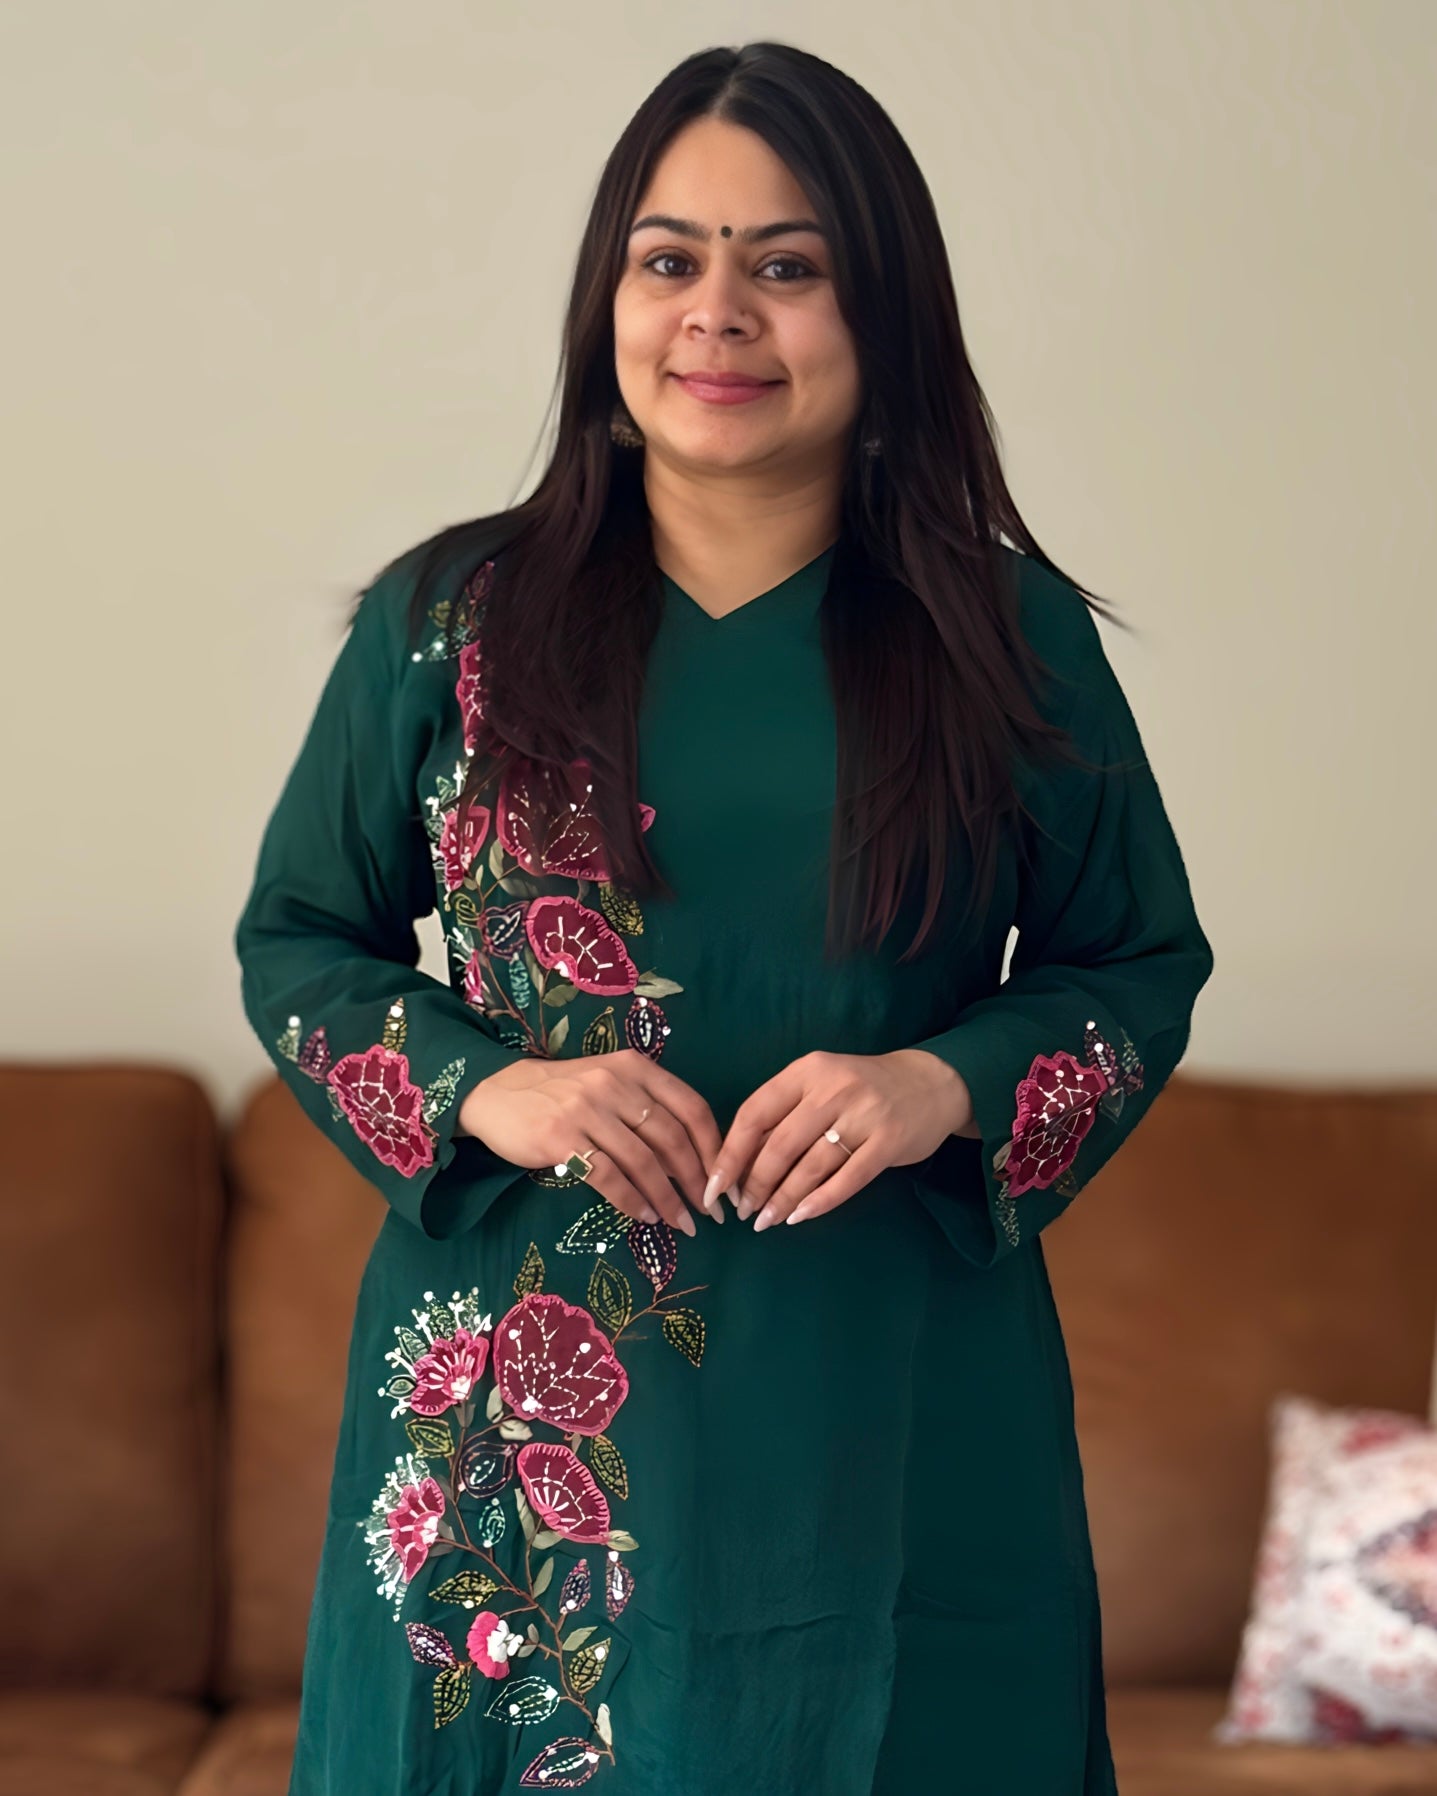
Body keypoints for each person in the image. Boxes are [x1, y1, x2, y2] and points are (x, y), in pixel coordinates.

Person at [233, 39, 1214, 1796]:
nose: (717, 315)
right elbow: (298, 941)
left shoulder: (1003, 637)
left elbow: (1133, 964)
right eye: (669, 259)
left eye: (786, 265)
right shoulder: (446, 623)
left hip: (896, 1399)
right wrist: (486, 1085)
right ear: (610, 301)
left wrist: (950, 1079)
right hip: (517, 1428)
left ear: (880, 313)